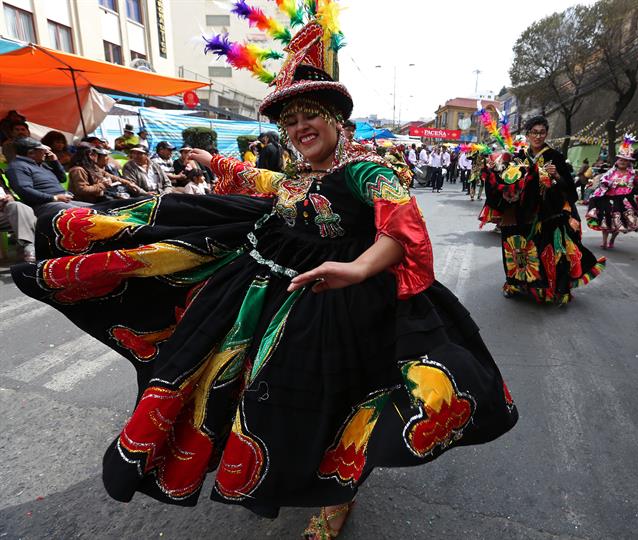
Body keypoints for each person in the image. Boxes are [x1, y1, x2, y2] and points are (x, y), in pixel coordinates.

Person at [12, 6, 517, 539]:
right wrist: (213, 163)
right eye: (290, 121)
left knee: (346, 401)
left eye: (310, 116)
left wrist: (356, 268)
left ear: (337, 120)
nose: (300, 128)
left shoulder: (366, 170)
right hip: (273, 293)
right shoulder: (300, 175)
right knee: (261, 389)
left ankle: (337, 493)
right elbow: (263, 182)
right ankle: (300, 470)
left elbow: (402, 228)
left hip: (348, 300)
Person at [480, 115, 605, 304]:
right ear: (528, 134)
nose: (538, 136)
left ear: (546, 134)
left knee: (549, 252)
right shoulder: (519, 156)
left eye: (542, 133)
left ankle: (551, 287)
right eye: (534, 132)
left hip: (548, 213)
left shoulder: (555, 157)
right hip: (521, 213)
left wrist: (556, 177)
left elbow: (569, 187)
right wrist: (494, 170)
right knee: (516, 249)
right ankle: (515, 283)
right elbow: (508, 181)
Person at [586, 135, 638, 249]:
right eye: (621, 160)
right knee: (605, 221)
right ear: (617, 161)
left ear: (629, 163)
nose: (622, 162)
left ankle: (612, 239)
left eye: (625, 160)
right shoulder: (610, 173)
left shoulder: (631, 175)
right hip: (609, 199)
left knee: (618, 223)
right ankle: (604, 241)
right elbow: (603, 182)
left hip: (623, 201)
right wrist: (601, 186)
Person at [6, 137, 90, 217]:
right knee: (85, 214)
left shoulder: (42, 164)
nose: (46, 152)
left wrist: (55, 161)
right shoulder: (17, 166)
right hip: (43, 205)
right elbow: (25, 190)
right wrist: (54, 198)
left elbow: (62, 178)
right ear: (31, 153)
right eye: (43, 150)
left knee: (98, 209)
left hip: (62, 201)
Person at [68, 144, 146, 203]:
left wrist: (128, 183)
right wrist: (103, 185)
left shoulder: (93, 167)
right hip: (87, 203)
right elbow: (82, 190)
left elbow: (112, 177)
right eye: (94, 154)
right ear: (89, 155)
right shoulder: (78, 170)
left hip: (99, 199)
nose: (96, 156)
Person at [0, 185, 36, 262]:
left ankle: (28, 248)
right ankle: (29, 250)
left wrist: (10, 197)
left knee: (18, 206)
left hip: (4, 209)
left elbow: (6, 191)